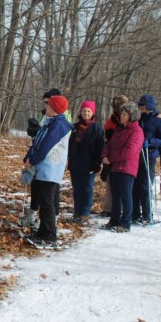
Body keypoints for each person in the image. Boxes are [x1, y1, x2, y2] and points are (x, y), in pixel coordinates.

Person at [23, 95, 73, 246]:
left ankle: (49, 235)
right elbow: (37, 141)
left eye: (49, 106)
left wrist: (33, 159)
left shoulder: (59, 125)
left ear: (55, 109)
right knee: (42, 200)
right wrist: (28, 156)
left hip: (50, 168)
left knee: (47, 202)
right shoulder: (49, 122)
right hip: (42, 167)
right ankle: (42, 231)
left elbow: (46, 146)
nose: (47, 108)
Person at [100, 102, 144, 233]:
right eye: (122, 113)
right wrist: (104, 155)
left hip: (127, 168)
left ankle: (125, 222)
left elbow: (129, 151)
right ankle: (114, 219)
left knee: (125, 195)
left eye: (124, 114)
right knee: (116, 195)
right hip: (114, 167)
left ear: (131, 116)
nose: (121, 116)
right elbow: (109, 144)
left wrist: (111, 157)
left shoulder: (137, 131)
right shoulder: (119, 130)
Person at [67, 100, 104, 224]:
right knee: (77, 188)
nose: (86, 113)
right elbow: (70, 145)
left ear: (93, 113)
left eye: (89, 111)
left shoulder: (97, 128)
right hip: (75, 163)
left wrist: (98, 162)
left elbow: (100, 147)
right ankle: (77, 210)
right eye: (84, 111)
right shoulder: (75, 127)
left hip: (90, 163)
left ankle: (85, 212)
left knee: (87, 188)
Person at [132, 94, 161, 225]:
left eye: (142, 105)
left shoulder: (159, 120)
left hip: (149, 155)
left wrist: (150, 142)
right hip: (137, 155)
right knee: (134, 185)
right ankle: (135, 214)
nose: (140, 107)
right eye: (139, 105)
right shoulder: (138, 118)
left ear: (148, 106)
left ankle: (147, 214)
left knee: (145, 185)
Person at [100, 94, 130, 217]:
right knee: (110, 181)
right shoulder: (111, 120)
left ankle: (125, 209)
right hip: (112, 152)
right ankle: (109, 208)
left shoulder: (130, 118)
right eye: (118, 106)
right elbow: (106, 137)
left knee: (124, 184)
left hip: (125, 155)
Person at [19, 115, 41, 227]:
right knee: (35, 189)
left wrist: (31, 159)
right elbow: (32, 147)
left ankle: (43, 219)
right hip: (34, 163)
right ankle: (32, 216)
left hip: (44, 166)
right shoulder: (44, 118)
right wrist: (28, 157)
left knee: (43, 193)